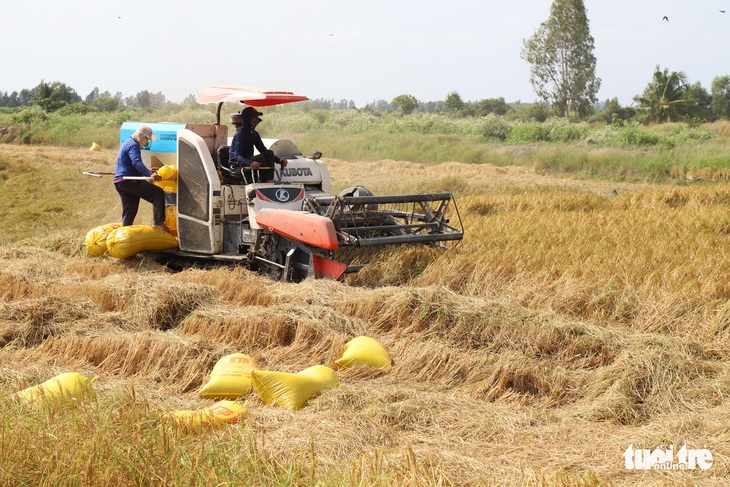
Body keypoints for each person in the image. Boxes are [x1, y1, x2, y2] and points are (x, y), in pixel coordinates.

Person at [113, 124, 168, 232]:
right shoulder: (133, 145)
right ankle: (159, 224)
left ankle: (125, 234)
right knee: (158, 193)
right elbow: (136, 162)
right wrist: (149, 174)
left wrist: (147, 172)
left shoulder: (128, 143)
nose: (146, 141)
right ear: (141, 136)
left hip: (121, 182)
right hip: (129, 181)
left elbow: (131, 166)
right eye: (146, 138)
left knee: (130, 209)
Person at [229, 106, 287, 183]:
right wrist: (250, 163)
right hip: (238, 163)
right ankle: (264, 180)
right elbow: (236, 156)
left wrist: (278, 159)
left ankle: (269, 180)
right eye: (253, 118)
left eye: (256, 117)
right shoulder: (240, 135)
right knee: (259, 159)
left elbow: (263, 150)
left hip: (248, 159)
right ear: (247, 119)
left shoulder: (254, 134)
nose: (255, 120)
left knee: (269, 153)